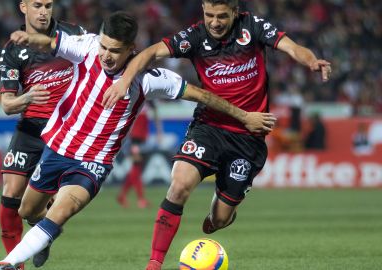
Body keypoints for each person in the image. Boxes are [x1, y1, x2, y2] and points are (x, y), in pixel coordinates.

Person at [0, 11, 276, 270]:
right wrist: (30, 37)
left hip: (93, 162)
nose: (105, 55)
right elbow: (51, 43)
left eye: (115, 51)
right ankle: (46, 235)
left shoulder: (150, 78)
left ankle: (6, 263)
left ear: (131, 50)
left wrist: (243, 115)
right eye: (104, 46)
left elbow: (202, 95)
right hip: (57, 148)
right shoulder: (87, 46)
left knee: (62, 210)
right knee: (28, 210)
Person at [102, 1, 332, 269]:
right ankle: (154, 263)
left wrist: (311, 61)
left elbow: (291, 47)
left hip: (248, 136)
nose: (214, 22)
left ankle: (221, 215)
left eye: (222, 16)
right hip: (208, 126)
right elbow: (151, 52)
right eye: (209, 15)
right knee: (178, 185)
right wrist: (125, 80)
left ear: (234, 12)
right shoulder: (195, 37)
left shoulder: (252, 27)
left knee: (219, 220)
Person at [0, 0, 85, 268]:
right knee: (10, 198)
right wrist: (28, 97)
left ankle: (42, 231)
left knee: (47, 200)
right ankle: (17, 263)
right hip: (30, 129)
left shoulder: (73, 34)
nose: (44, 11)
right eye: (37, 5)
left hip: (64, 130)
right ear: (23, 7)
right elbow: (7, 105)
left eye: (48, 5)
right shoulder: (13, 50)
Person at [117, 101, 162, 209]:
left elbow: (155, 111)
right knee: (137, 166)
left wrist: (159, 131)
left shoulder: (149, 99)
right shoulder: (134, 97)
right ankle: (140, 199)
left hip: (141, 137)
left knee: (136, 167)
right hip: (133, 138)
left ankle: (122, 196)